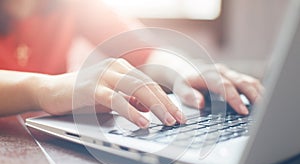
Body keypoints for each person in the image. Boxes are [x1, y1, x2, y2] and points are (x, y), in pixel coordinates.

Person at [0, 0, 263, 129]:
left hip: (47, 141)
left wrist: (186, 71)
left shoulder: (74, 5)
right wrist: (44, 88)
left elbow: (143, 50)